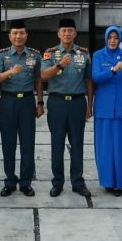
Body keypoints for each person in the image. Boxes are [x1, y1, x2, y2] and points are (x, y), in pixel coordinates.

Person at [0, 19, 44, 197]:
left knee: (28, 143)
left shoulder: (34, 55)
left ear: (26, 35)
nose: (18, 36)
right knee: (8, 143)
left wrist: (40, 103)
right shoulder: (1, 55)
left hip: (27, 102)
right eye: (15, 33)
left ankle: (26, 182)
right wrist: (9, 72)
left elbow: (38, 80)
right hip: (8, 102)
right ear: (10, 36)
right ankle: (10, 181)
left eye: (22, 33)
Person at [41, 18, 93, 198]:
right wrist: (60, 65)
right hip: (57, 103)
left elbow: (88, 81)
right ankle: (58, 183)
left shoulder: (84, 54)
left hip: (78, 103)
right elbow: (43, 76)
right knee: (57, 144)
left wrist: (90, 105)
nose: (67, 34)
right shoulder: (50, 53)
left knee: (77, 144)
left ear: (75, 33)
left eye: (70, 30)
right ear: (58, 33)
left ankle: (78, 182)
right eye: (64, 30)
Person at [90, 26, 122, 197]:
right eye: (110, 37)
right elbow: (95, 77)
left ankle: (120, 182)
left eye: (115, 37)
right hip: (104, 108)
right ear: (105, 39)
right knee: (105, 147)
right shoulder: (97, 55)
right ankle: (107, 181)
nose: (112, 40)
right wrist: (112, 70)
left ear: (119, 39)